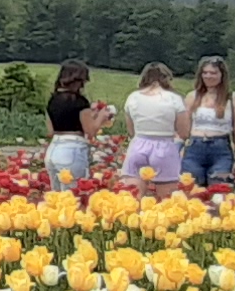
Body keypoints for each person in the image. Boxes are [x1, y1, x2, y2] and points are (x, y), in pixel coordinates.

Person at [121, 62, 188, 196]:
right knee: (166, 198)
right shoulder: (174, 99)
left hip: (139, 143)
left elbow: (131, 131)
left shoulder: (133, 97)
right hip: (164, 146)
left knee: (133, 196)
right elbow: (184, 132)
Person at [183, 57, 235, 191]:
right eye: (205, 72)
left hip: (221, 149)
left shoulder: (233, 98)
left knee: (220, 190)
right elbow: (183, 128)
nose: (208, 76)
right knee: (190, 190)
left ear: (222, 75)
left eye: (213, 73)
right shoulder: (192, 97)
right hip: (194, 148)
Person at [44, 61, 109, 190]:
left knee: (56, 197)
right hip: (72, 149)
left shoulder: (53, 100)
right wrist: (101, 116)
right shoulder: (80, 102)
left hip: (54, 149)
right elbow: (90, 131)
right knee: (73, 196)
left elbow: (51, 130)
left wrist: (92, 114)